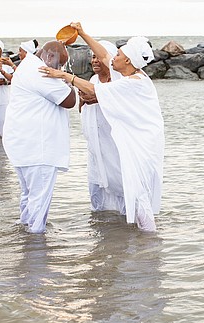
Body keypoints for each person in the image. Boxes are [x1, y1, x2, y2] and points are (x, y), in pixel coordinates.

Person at [42, 22, 164, 232]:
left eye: (117, 54)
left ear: (127, 60)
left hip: (142, 145)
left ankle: (150, 241)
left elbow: (93, 88)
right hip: (136, 142)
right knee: (133, 192)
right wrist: (82, 33)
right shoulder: (128, 73)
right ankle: (141, 239)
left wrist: (65, 76)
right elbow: (104, 56)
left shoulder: (133, 83)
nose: (111, 58)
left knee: (138, 193)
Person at [2, 41, 76, 234]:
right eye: (60, 65)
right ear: (50, 57)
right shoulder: (41, 71)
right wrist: (68, 80)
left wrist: (60, 77)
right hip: (38, 148)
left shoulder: (27, 66)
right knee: (39, 203)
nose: (59, 69)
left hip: (23, 145)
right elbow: (69, 101)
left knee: (29, 197)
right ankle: (35, 250)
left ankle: (26, 239)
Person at [78, 40, 128, 212]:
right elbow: (82, 108)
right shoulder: (92, 80)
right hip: (95, 144)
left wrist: (100, 98)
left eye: (99, 57)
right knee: (96, 189)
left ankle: (130, 231)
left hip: (114, 144)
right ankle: (102, 229)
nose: (95, 61)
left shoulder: (119, 82)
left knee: (120, 187)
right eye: (92, 57)